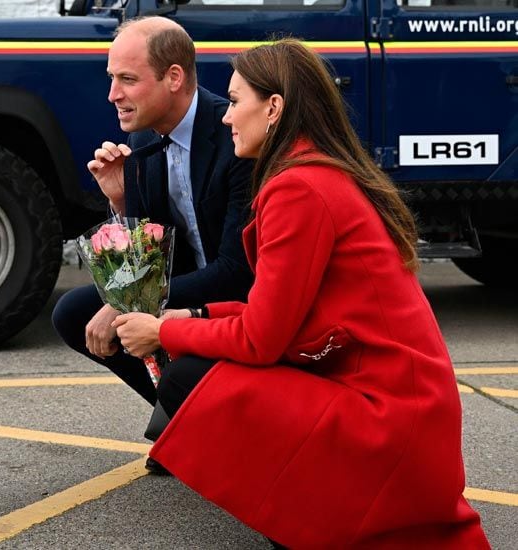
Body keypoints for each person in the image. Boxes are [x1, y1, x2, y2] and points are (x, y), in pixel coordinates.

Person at [113, 39, 490, 548]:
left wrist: (164, 329)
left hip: (386, 417)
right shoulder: (316, 172)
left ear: (273, 109)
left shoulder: (298, 188)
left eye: (236, 101)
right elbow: (282, 310)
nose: (226, 119)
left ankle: (303, 525)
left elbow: (263, 339)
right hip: (403, 407)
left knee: (189, 378)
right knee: (199, 367)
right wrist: (197, 313)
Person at [52, 17, 253, 439]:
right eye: (112, 78)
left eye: (127, 79)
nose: (113, 95)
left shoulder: (234, 134)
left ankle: (211, 423)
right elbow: (150, 248)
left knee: (115, 317)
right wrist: (119, 201)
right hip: (181, 284)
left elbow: (237, 270)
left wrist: (132, 305)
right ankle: (184, 421)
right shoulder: (145, 136)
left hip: (239, 298)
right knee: (74, 313)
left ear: (174, 77)